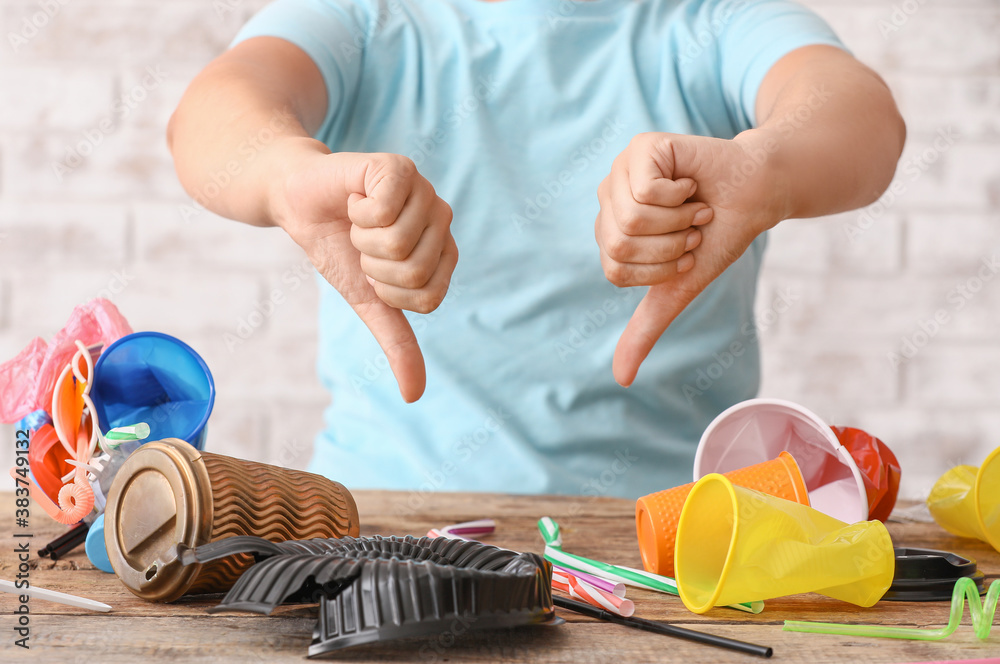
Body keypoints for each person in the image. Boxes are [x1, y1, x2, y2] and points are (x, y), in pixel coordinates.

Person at [167, 0, 905, 500]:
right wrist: (286, 175)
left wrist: (764, 169)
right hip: (380, 527)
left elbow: (861, 115)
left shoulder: (716, 21)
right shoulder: (366, 16)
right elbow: (213, 109)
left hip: (677, 542)